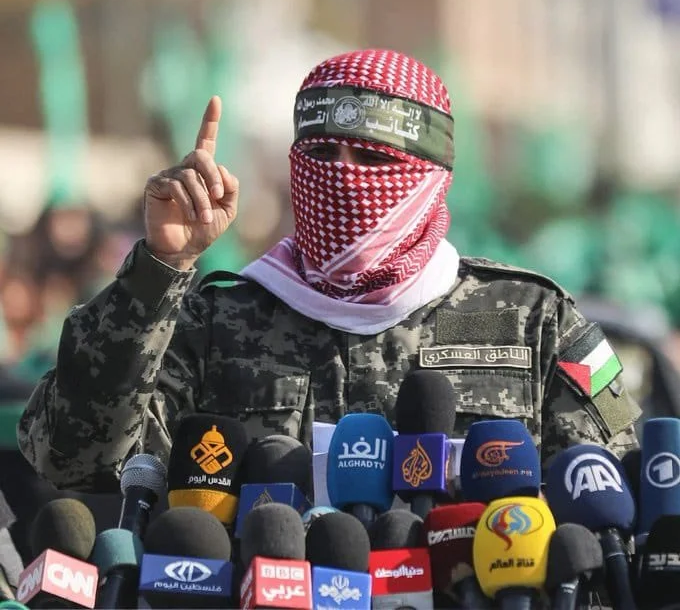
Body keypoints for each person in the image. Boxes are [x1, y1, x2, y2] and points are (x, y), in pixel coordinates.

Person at [17, 49, 640, 491]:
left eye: (371, 159)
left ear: (432, 175)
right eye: (320, 152)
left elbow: (615, 497)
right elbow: (71, 458)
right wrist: (160, 266)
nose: (342, 176)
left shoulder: (530, 321)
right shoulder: (218, 321)